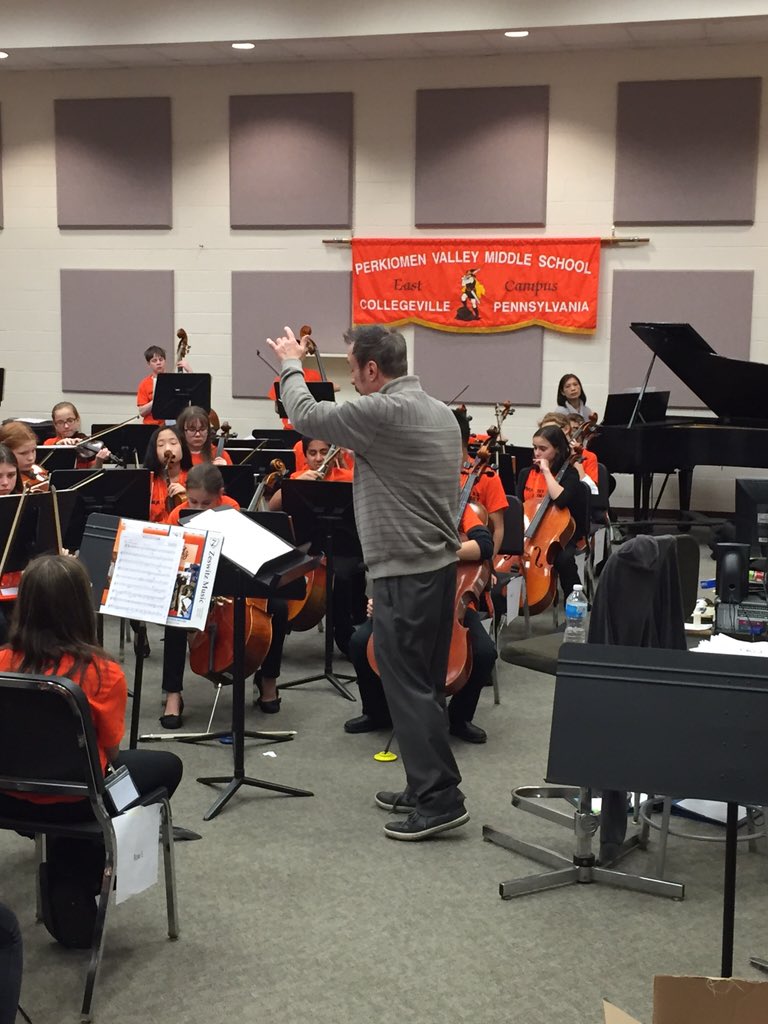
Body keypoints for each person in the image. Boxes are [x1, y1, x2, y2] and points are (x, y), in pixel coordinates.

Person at [267, 323, 468, 841]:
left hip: (406, 570)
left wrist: (292, 363)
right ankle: (424, 783)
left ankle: (440, 798)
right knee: (422, 684)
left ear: (373, 369)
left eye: (352, 366)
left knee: (406, 687)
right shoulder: (441, 411)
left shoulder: (383, 411)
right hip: (436, 568)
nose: (351, 377)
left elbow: (306, 416)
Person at [0, 555, 183, 948]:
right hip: (80, 802)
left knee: (83, 777)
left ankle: (71, 864)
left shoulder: (1, 662)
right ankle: (82, 871)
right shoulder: (102, 672)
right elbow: (112, 751)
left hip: (8, 800)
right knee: (165, 768)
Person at [345, 501, 497, 742]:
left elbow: (485, 545)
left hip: (451, 603)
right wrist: (380, 598)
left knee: (484, 652)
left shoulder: (462, 509)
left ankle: (459, 718)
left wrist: (436, 555)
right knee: (360, 642)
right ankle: (376, 712)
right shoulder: (403, 509)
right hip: (403, 600)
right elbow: (385, 559)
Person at [517, 424, 586, 600]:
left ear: (557, 450)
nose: (536, 453)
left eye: (543, 448)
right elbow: (519, 505)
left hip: (562, 530)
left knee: (563, 558)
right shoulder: (526, 473)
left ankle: (573, 599)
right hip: (530, 527)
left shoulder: (570, 474)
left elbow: (561, 500)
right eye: (534, 448)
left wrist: (546, 471)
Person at [454, 408, 508, 555]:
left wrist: (488, 566)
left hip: (475, 550)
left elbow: (498, 529)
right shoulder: (438, 476)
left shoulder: (487, 477)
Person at [539, 411, 598, 494]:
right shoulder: (543, 454)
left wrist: (577, 462)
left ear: (566, 429)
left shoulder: (588, 456)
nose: (546, 436)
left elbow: (591, 491)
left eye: (551, 431)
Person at [143, 425, 192, 523]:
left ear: (183, 447)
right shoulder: (148, 480)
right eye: (161, 445)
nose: (167, 449)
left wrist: (190, 494)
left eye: (173, 443)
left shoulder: (195, 477)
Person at [44, 401, 112, 468]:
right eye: (60, 422)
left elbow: (92, 473)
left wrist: (99, 461)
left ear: (78, 421)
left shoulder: (87, 444)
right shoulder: (49, 444)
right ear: (55, 425)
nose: (66, 426)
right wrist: (57, 448)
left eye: (70, 420)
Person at [136, 345, 191, 425]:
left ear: (165, 361)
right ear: (149, 364)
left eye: (161, 360)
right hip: (152, 425)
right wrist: (157, 399)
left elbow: (191, 391)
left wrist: (189, 370)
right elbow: (142, 412)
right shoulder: (144, 384)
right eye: (154, 361)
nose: (158, 363)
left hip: (173, 424)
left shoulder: (174, 380)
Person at [0, 422, 48, 491]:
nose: (31, 458)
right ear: (6, 451)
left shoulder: (39, 473)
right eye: (23, 453)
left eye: (33, 450)